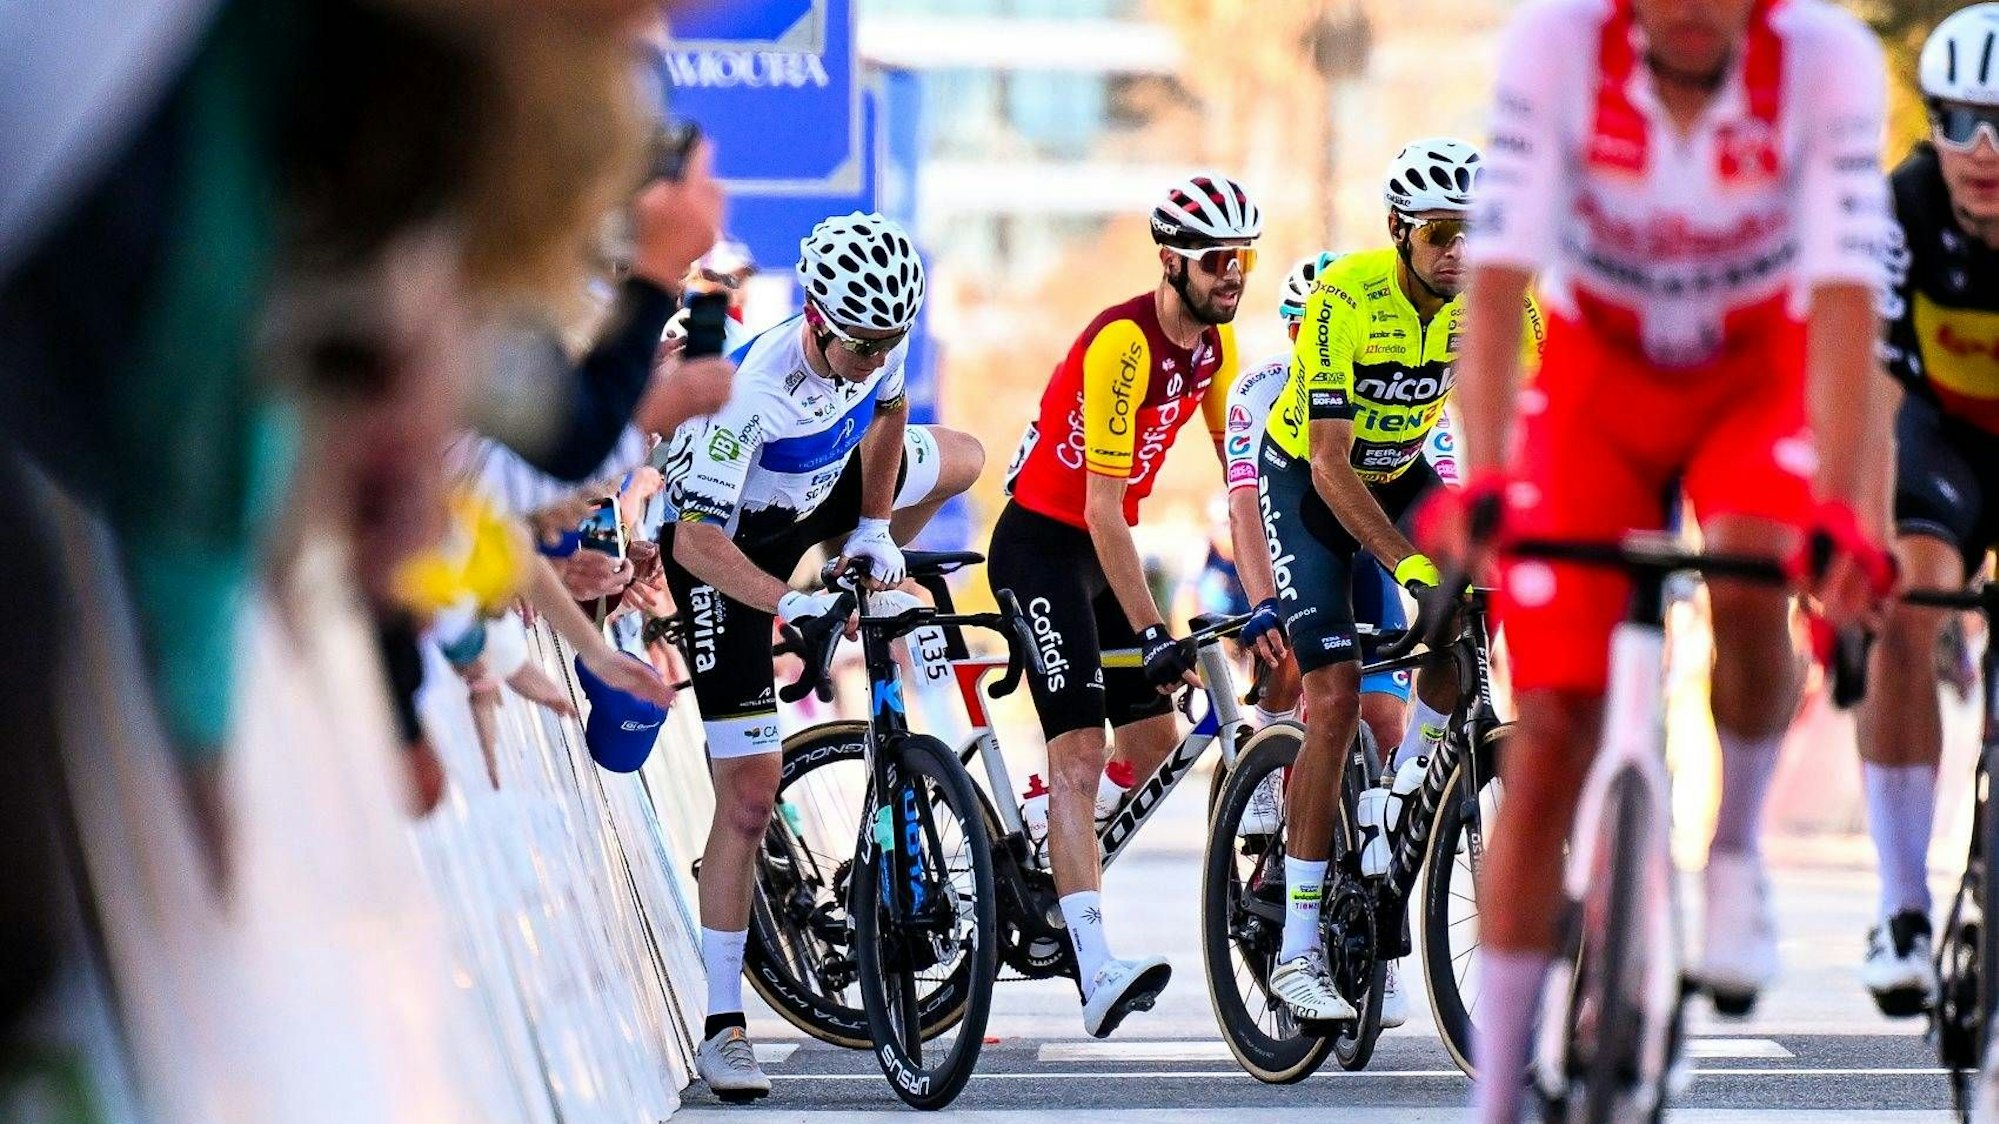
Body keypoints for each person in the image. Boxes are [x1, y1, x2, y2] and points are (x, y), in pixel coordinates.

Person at [1433, 0, 1898, 1118]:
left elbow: (1843, 305)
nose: (1692, 11)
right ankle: (1494, 1093)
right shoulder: (1551, 49)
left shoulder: (1825, 62)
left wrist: (1840, 508)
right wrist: (1486, 474)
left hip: (1753, 374)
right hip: (1598, 387)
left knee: (1750, 573)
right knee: (1545, 736)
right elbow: (1492, 289)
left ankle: (1733, 853)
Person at [654, 211, 984, 1100]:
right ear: (817, 319)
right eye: (862, 343)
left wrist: (876, 529)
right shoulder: (747, 390)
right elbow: (691, 543)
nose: (878, 356)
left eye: (891, 341)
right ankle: (724, 1024)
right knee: (752, 797)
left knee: (962, 456)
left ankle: (863, 569)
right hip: (725, 557)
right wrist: (789, 603)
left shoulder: (879, 338)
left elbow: (888, 414)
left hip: (811, 496)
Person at [1254, 140, 1543, 1030]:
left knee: (1473, 613)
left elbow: (1531, 436)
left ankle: (1411, 777)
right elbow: (1336, 468)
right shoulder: (1348, 296)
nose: (1458, 250)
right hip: (1311, 481)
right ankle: (1297, 948)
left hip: (1406, 472)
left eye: (1474, 231)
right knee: (1334, 698)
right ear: (1398, 233)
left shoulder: (1503, 304)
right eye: (1438, 233)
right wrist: (1413, 565)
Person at [989, 172, 1259, 1038]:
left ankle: (1048, 831)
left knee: (1153, 743)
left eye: (1244, 257)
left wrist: (1271, 592)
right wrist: (1151, 632)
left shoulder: (1215, 353)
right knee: (1080, 752)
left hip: (1102, 558)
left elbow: (1242, 479)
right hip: (1041, 548)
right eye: (1220, 259)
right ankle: (1093, 963)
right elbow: (1103, 507)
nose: (1235, 274)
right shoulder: (1124, 345)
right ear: (1172, 262)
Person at [1857, 2, 1999, 1018]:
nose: (1979, 150)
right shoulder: (1898, 209)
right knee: (1904, 609)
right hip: (1936, 434)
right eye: (1956, 122)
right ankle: (1902, 903)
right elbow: (1866, 396)